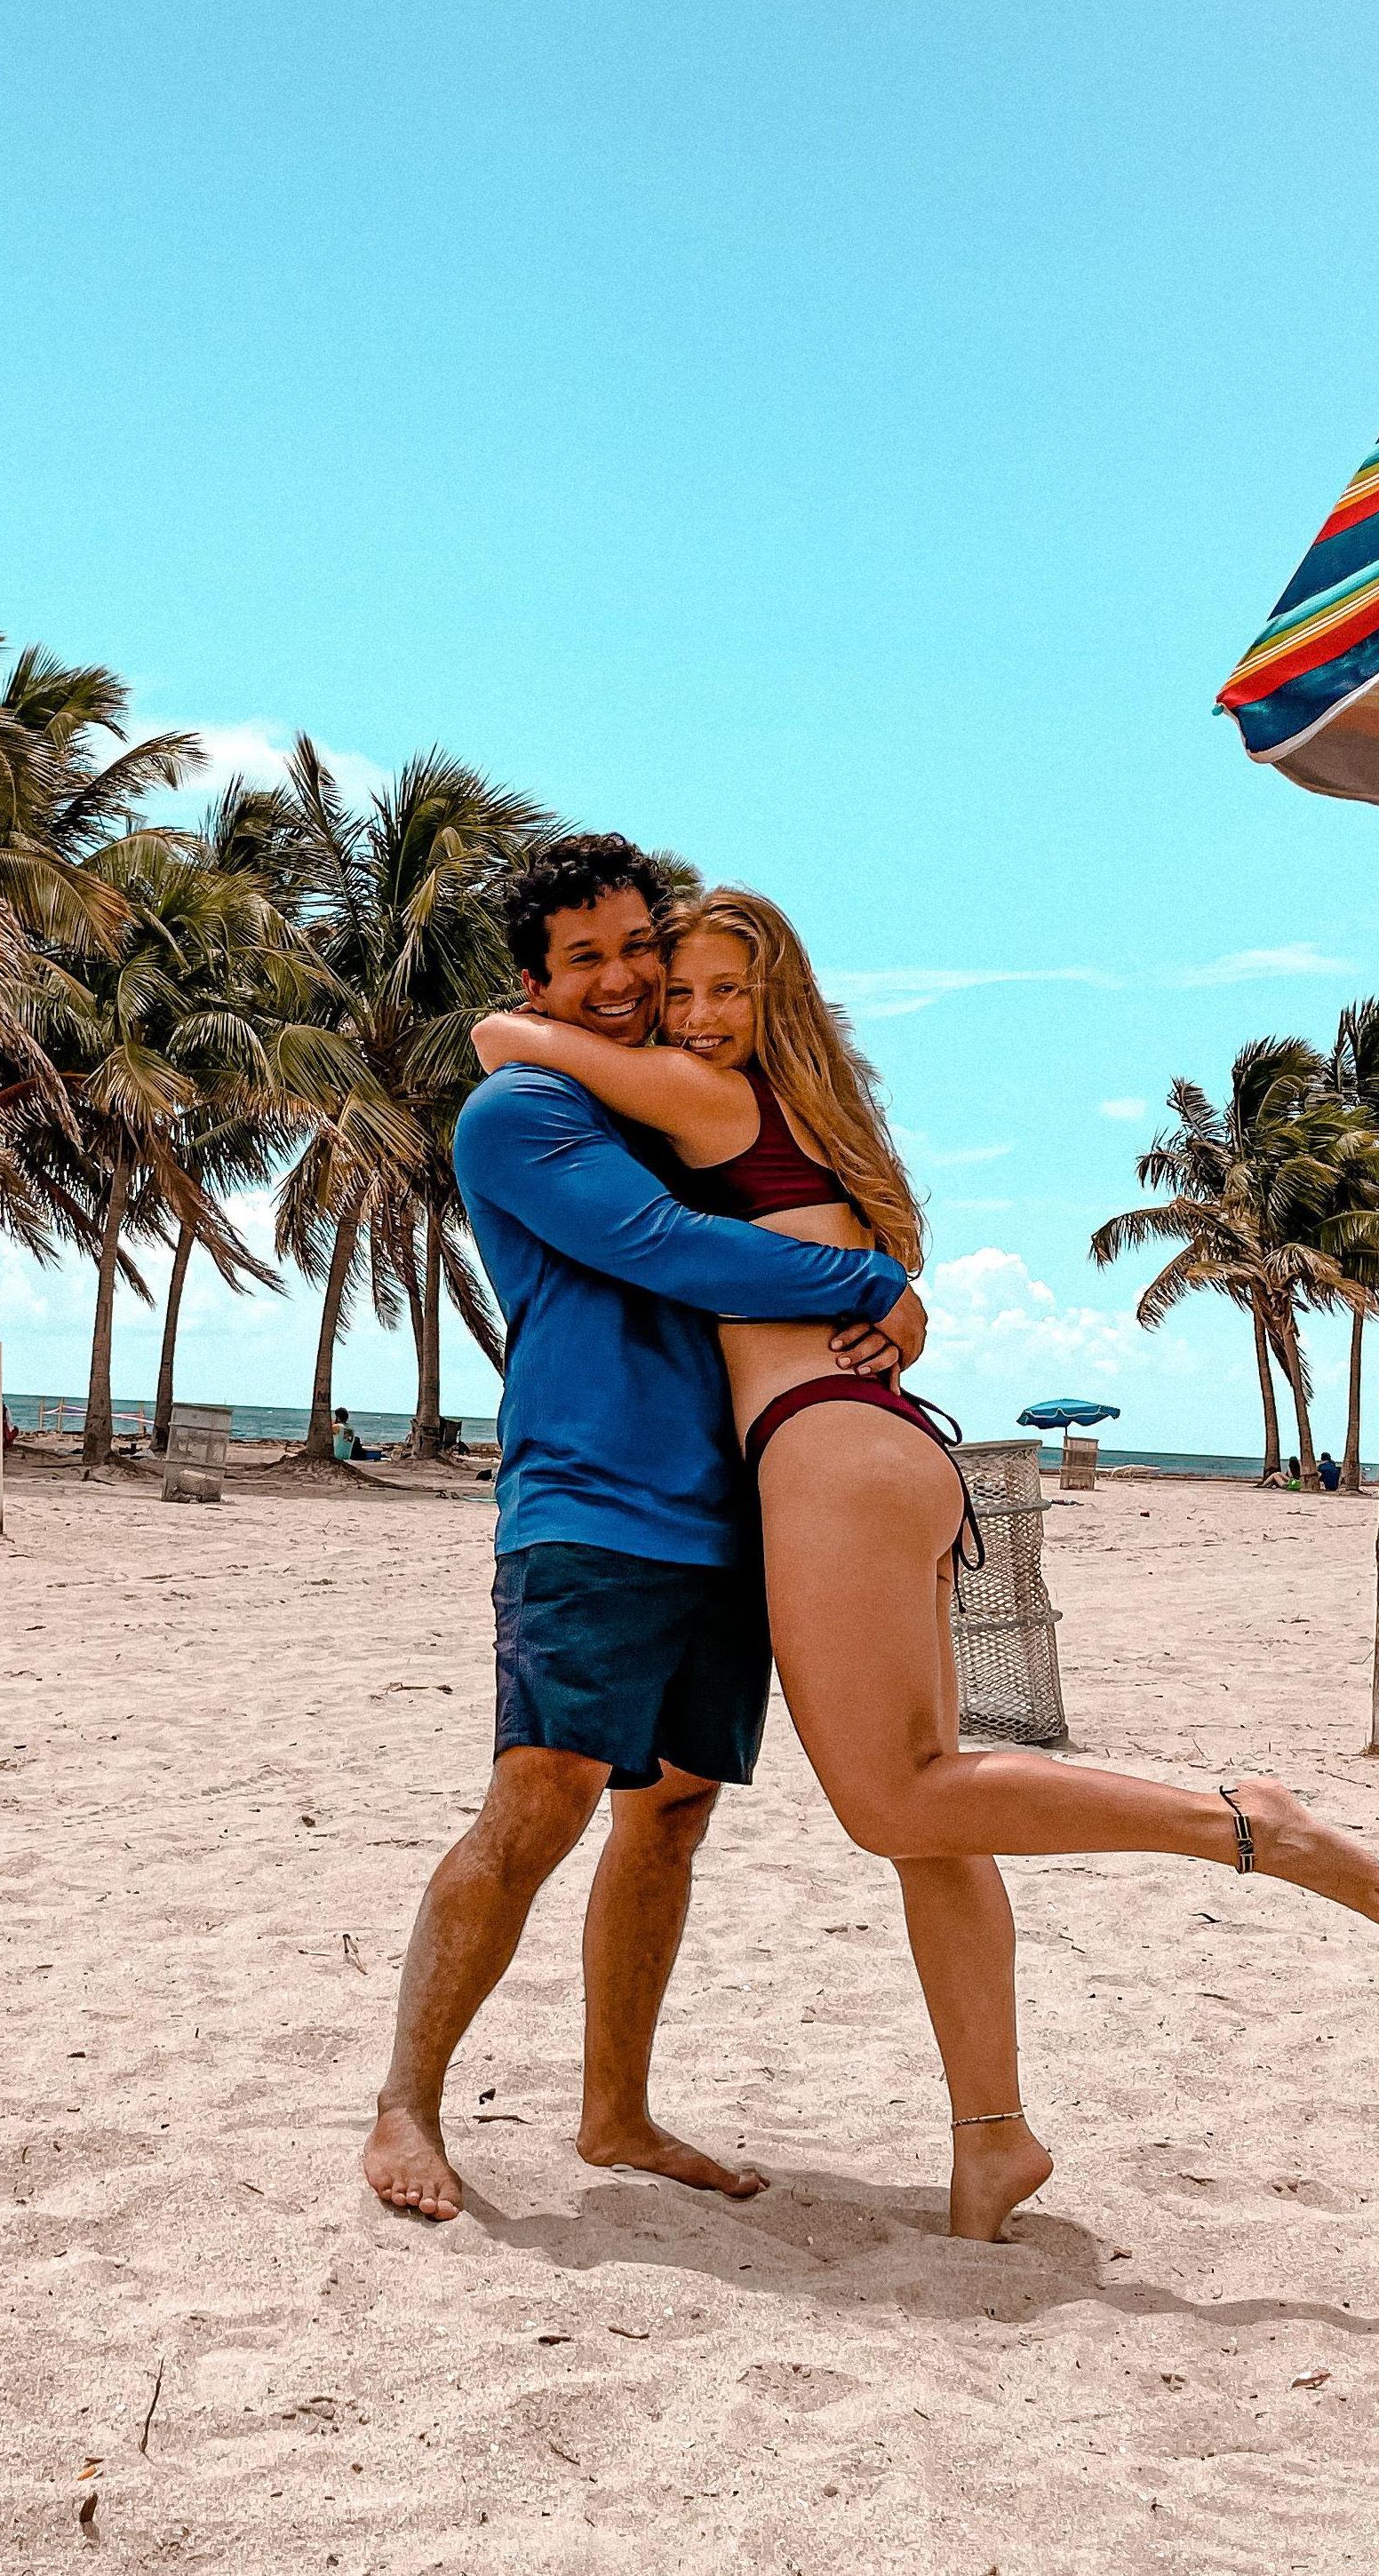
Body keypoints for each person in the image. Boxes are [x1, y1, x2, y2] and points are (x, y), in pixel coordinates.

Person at [468, 874, 1379, 2239]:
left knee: (896, 1800)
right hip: (888, 1445)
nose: (684, 1012)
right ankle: (994, 2139)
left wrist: (536, 1018)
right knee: (942, 1815)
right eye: (679, 991)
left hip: (826, 1452)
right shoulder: (821, 1125)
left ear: (774, 1003)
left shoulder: (717, 1104)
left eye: (721, 989)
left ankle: (1240, 1822)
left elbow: (520, 1048)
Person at [363, 837, 926, 2230]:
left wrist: (893, 1306)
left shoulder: (684, 1103)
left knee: (671, 1814)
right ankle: (405, 2105)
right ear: (537, 981)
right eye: (586, 960)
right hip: (591, 1500)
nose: (621, 984)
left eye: (638, 952)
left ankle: (615, 2112)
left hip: (733, 1509)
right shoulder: (522, 1113)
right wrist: (879, 1279)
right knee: (541, 1798)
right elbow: (670, 1252)